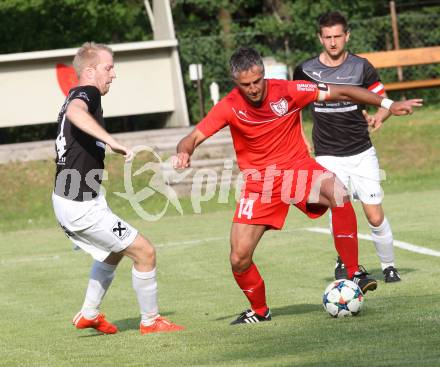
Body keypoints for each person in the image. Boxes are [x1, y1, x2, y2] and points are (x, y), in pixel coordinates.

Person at [173, 47, 421, 325]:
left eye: (257, 81)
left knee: (338, 193)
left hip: (297, 169)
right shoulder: (229, 106)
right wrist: (185, 151)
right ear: (236, 82)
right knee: (239, 258)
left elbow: (344, 91)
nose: (254, 89)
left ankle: (353, 273)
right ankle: (259, 311)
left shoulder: (289, 90)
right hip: (261, 184)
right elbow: (192, 137)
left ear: (263, 75)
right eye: (246, 85)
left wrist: (387, 105)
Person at [52, 42, 183, 335]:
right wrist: (110, 140)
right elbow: (75, 112)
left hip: (74, 198)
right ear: (90, 70)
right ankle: (151, 322)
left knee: (112, 252)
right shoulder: (87, 93)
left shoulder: (77, 94)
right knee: (145, 252)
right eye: (108, 67)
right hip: (79, 204)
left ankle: (89, 313)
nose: (113, 74)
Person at [293, 11, 402, 283]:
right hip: (327, 154)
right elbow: (293, 105)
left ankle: (388, 266)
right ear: (320, 38)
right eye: (327, 37)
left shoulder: (361, 67)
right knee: (337, 207)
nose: (332, 42)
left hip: (361, 151)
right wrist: (300, 136)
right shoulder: (305, 70)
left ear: (347, 36)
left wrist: (380, 116)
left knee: (374, 215)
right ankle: (345, 260)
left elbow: (381, 99)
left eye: (337, 37)